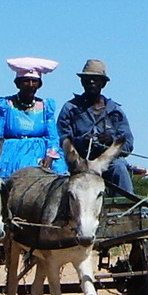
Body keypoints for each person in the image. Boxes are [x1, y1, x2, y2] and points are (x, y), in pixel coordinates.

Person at [57, 59, 138, 195]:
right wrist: (81, 142)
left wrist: (111, 141)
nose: (91, 82)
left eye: (96, 79)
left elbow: (128, 144)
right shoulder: (70, 109)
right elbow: (61, 138)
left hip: (108, 163)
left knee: (120, 167)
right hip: (80, 163)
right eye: (87, 79)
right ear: (82, 82)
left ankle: (126, 209)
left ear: (103, 83)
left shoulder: (115, 111)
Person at [0, 57, 68, 180]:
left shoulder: (46, 106)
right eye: (26, 81)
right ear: (17, 83)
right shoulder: (3, 105)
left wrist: (50, 156)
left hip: (40, 156)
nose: (30, 85)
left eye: (34, 81)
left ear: (39, 84)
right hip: (10, 157)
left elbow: (52, 136)